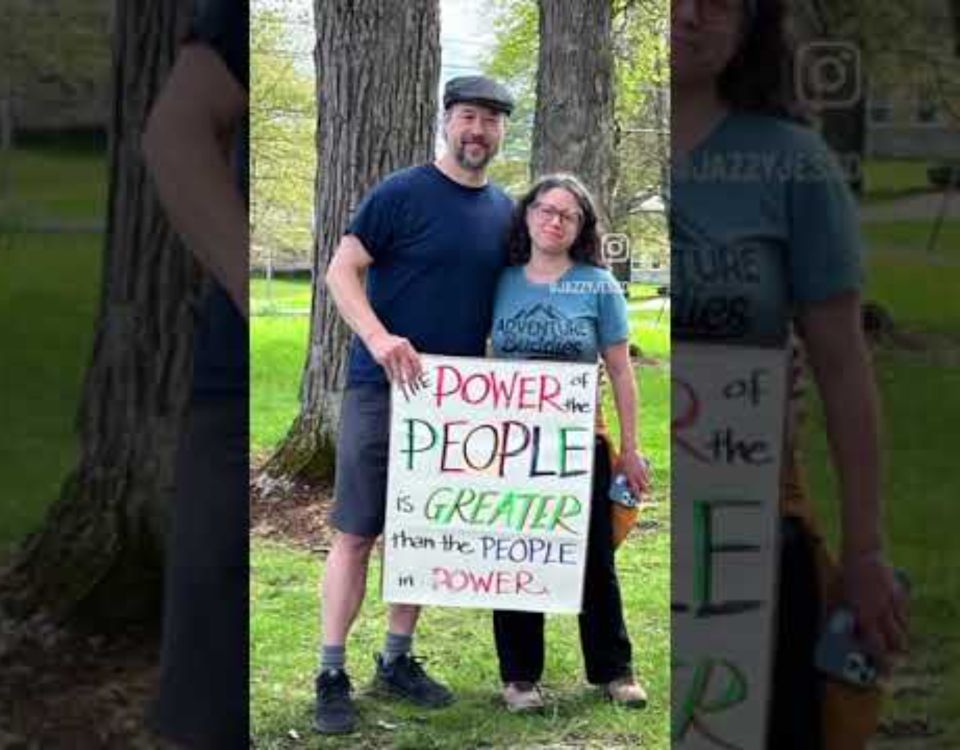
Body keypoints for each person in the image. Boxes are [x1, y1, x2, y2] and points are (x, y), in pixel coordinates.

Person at [670, 0, 909, 746]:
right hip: (634, 532)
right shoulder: (583, 163)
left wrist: (866, 550)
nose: (691, 15)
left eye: (721, 2)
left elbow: (843, 369)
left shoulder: (790, 162)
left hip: (754, 536)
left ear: (751, 25)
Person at [315, 75, 516, 734]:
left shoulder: (507, 214)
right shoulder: (400, 193)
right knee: (356, 532)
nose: (477, 131)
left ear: (502, 131)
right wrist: (377, 338)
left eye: (490, 120)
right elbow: (341, 270)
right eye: (467, 117)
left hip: (455, 403)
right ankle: (331, 672)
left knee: (422, 533)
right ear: (446, 122)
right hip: (383, 388)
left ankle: (395, 661)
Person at [488, 173, 651, 712]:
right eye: (546, 209)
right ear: (528, 214)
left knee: (593, 558)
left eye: (568, 215)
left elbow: (623, 373)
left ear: (581, 227)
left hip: (580, 442)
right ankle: (519, 677)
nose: (554, 220)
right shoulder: (500, 279)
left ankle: (614, 669)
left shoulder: (596, 285)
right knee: (516, 554)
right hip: (510, 443)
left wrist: (630, 448)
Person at [141, 0, 249, 747]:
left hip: (414, 400)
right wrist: (274, 308)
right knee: (217, 712)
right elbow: (175, 136)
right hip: (243, 400)